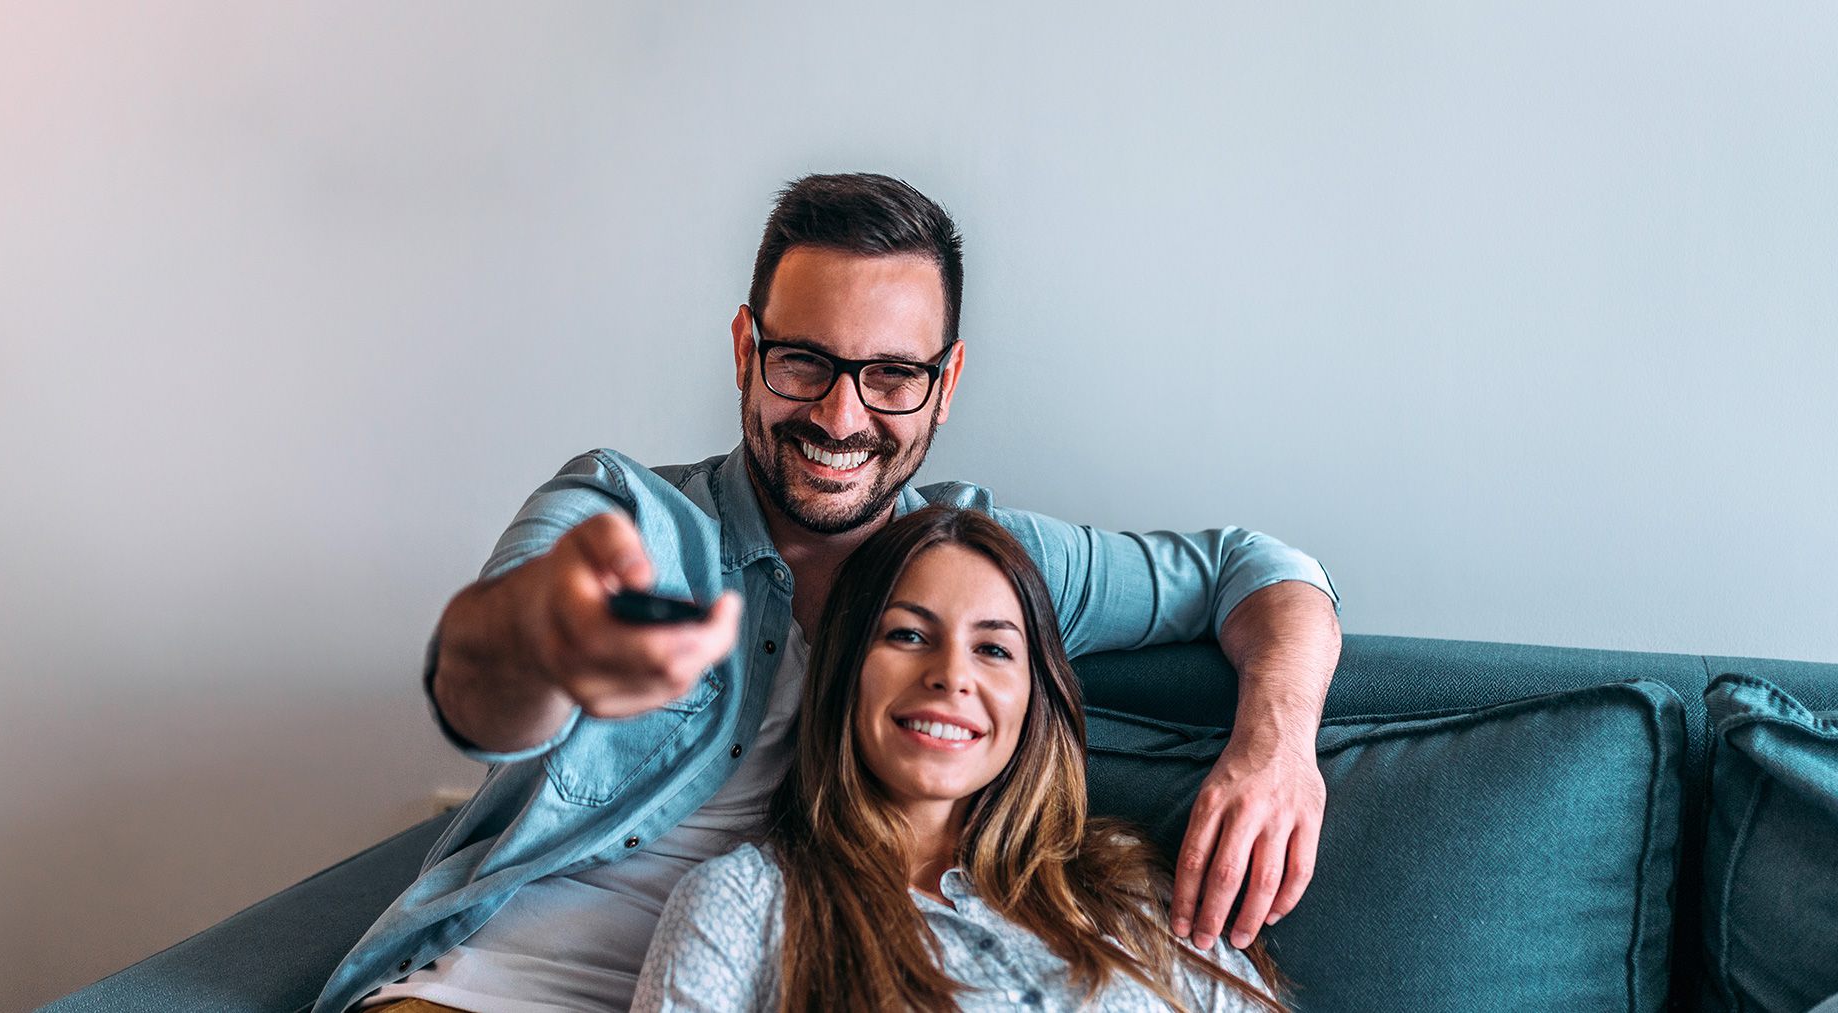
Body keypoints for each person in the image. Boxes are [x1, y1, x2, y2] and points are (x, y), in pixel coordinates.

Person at [316, 173, 1340, 1013]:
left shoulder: (983, 572)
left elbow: (1262, 571)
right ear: (743, 350)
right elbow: (479, 676)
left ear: (946, 382)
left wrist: (1276, 745)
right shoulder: (623, 519)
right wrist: (546, 640)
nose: (843, 416)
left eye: (892, 375)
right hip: (495, 990)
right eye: (804, 361)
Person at [632, 507, 1291, 1012]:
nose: (952, 674)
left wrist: (1274, 743)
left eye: (995, 649)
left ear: (1037, 697)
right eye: (908, 634)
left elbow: (1261, 567)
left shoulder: (1134, 896)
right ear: (845, 669)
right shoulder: (743, 906)